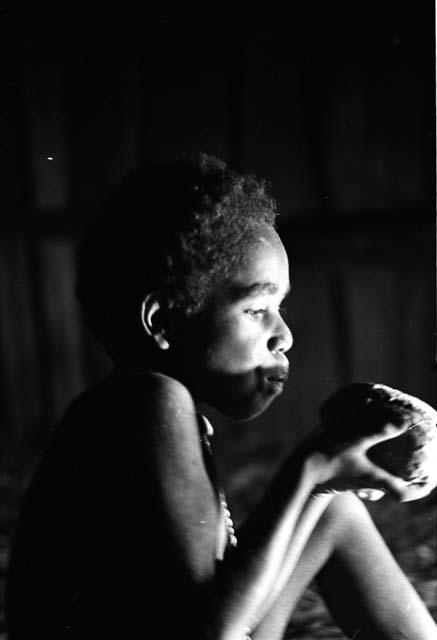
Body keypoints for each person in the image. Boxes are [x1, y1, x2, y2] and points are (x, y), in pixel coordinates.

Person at [5, 153, 437, 639]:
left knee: (333, 511)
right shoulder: (147, 403)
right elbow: (208, 634)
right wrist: (310, 468)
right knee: (319, 498)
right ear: (162, 322)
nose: (284, 335)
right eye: (257, 309)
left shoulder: (156, 409)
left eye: (281, 307)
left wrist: (321, 485)